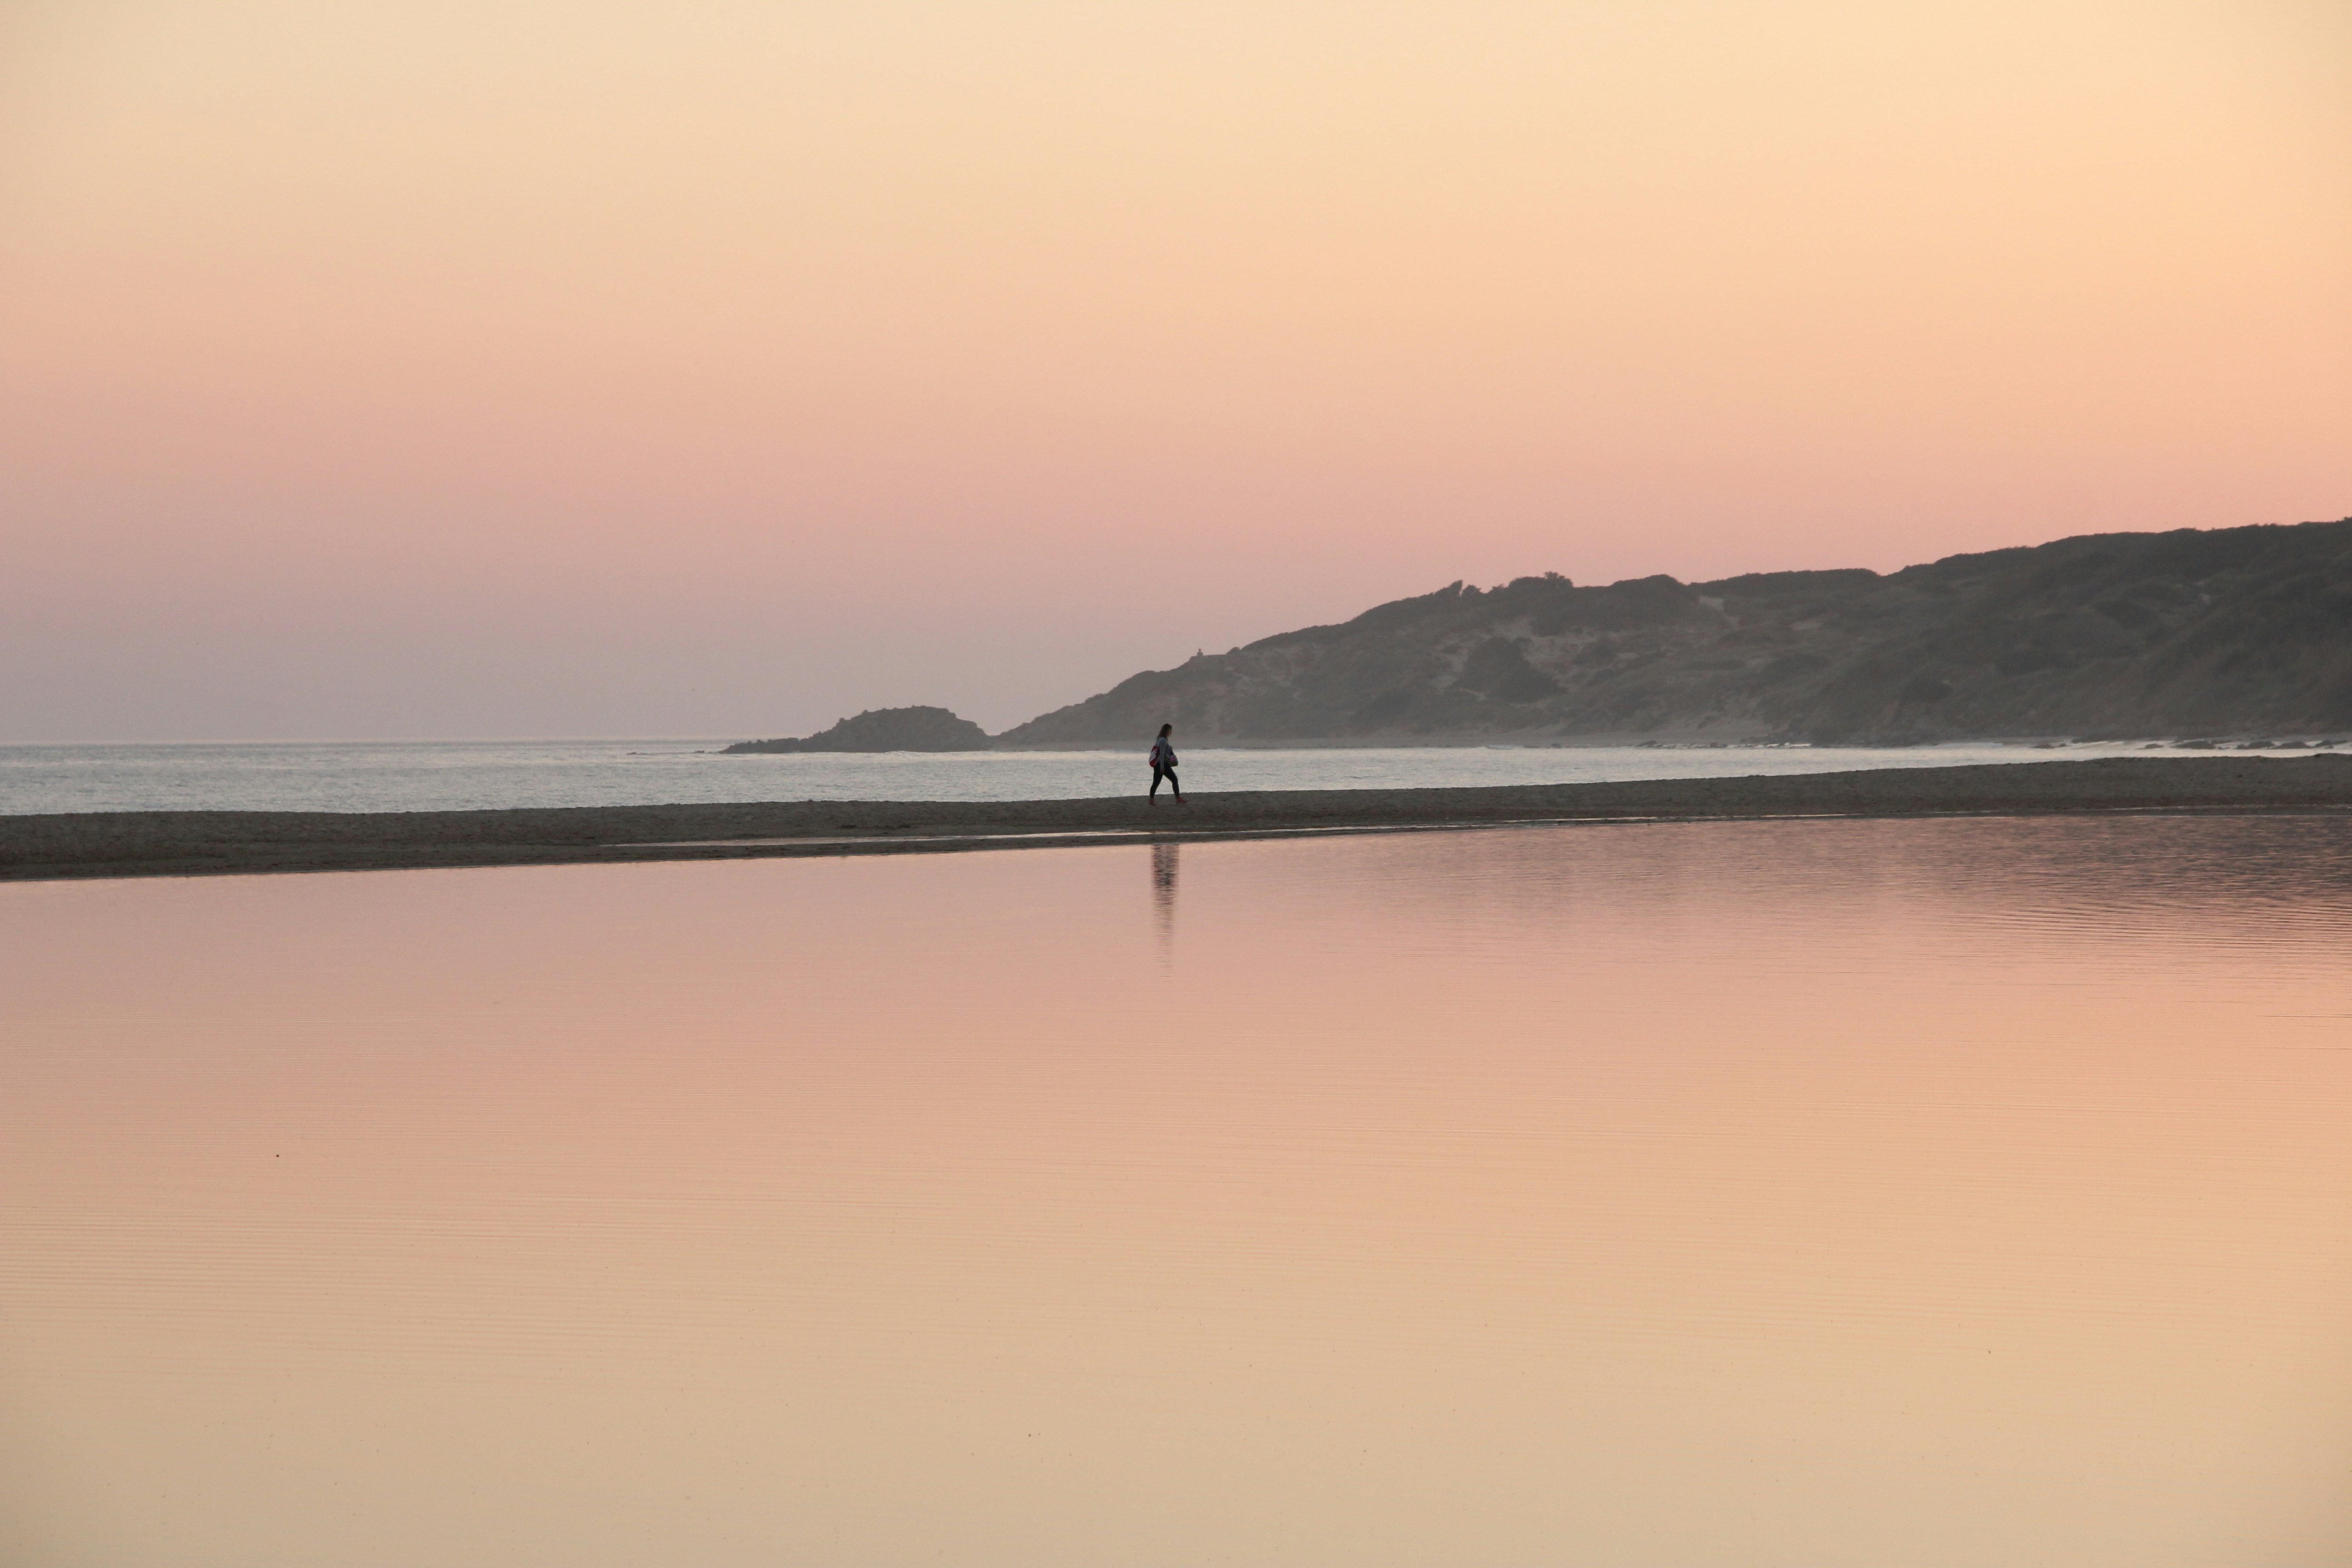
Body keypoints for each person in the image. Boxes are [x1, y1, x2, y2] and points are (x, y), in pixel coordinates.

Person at [1148, 723, 1184, 803]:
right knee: (1174, 779)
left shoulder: (1159, 740)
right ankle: (1178, 798)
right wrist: (1162, 767)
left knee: (1156, 782)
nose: (1171, 733)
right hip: (1162, 764)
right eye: (1170, 731)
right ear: (1167, 731)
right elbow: (1162, 754)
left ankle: (1151, 800)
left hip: (1158, 764)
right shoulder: (1163, 740)